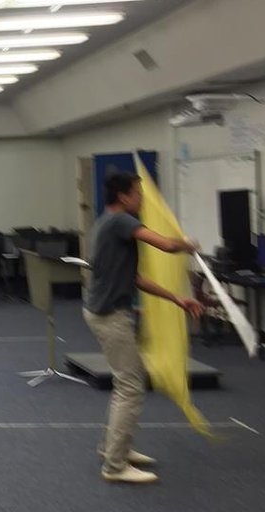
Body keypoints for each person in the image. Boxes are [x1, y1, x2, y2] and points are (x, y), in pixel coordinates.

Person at [85, 172, 202, 485]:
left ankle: (112, 448)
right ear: (123, 197)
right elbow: (165, 244)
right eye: (138, 193)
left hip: (102, 312)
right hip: (110, 316)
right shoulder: (121, 222)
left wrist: (176, 297)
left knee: (126, 383)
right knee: (131, 385)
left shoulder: (103, 224)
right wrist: (187, 244)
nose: (142, 199)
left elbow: (134, 279)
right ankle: (114, 465)